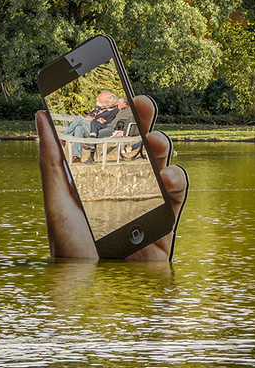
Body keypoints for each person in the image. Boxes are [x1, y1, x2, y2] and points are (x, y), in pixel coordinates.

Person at [36, 95, 187, 261]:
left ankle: (70, 144)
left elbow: (115, 125)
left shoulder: (121, 112)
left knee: (80, 124)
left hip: (106, 132)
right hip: (100, 130)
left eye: (120, 103)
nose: (120, 105)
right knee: (79, 125)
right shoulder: (113, 111)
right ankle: (74, 150)